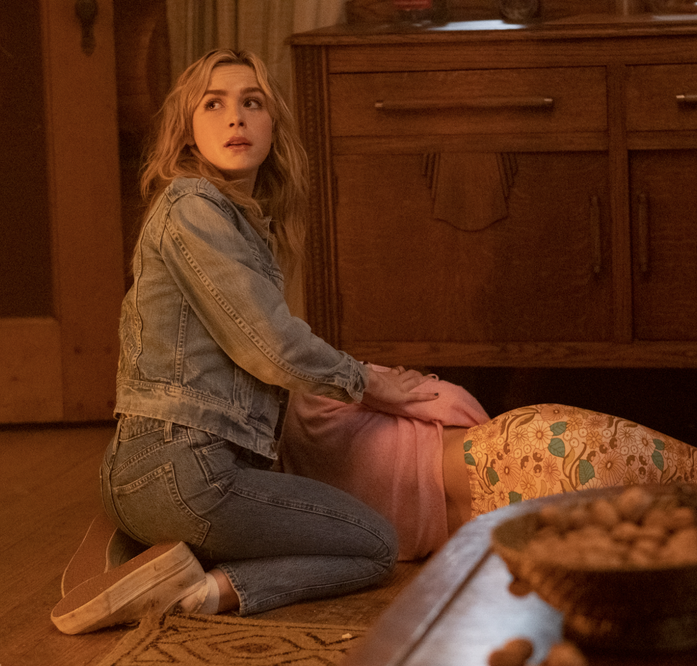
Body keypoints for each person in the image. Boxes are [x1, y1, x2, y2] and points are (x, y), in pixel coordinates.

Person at [50, 49, 437, 635]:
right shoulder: (192, 205)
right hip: (187, 471)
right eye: (214, 104)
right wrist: (370, 383)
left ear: (273, 126)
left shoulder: (237, 221)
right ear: (187, 131)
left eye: (252, 103)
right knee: (375, 545)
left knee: (320, 520)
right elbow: (269, 344)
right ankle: (198, 590)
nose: (235, 117)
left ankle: (143, 541)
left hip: (157, 469)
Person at [278, 365, 697, 561]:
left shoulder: (292, 500)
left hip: (500, 534)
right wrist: (408, 384)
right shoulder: (323, 388)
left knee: (692, 546)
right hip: (534, 449)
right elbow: (452, 402)